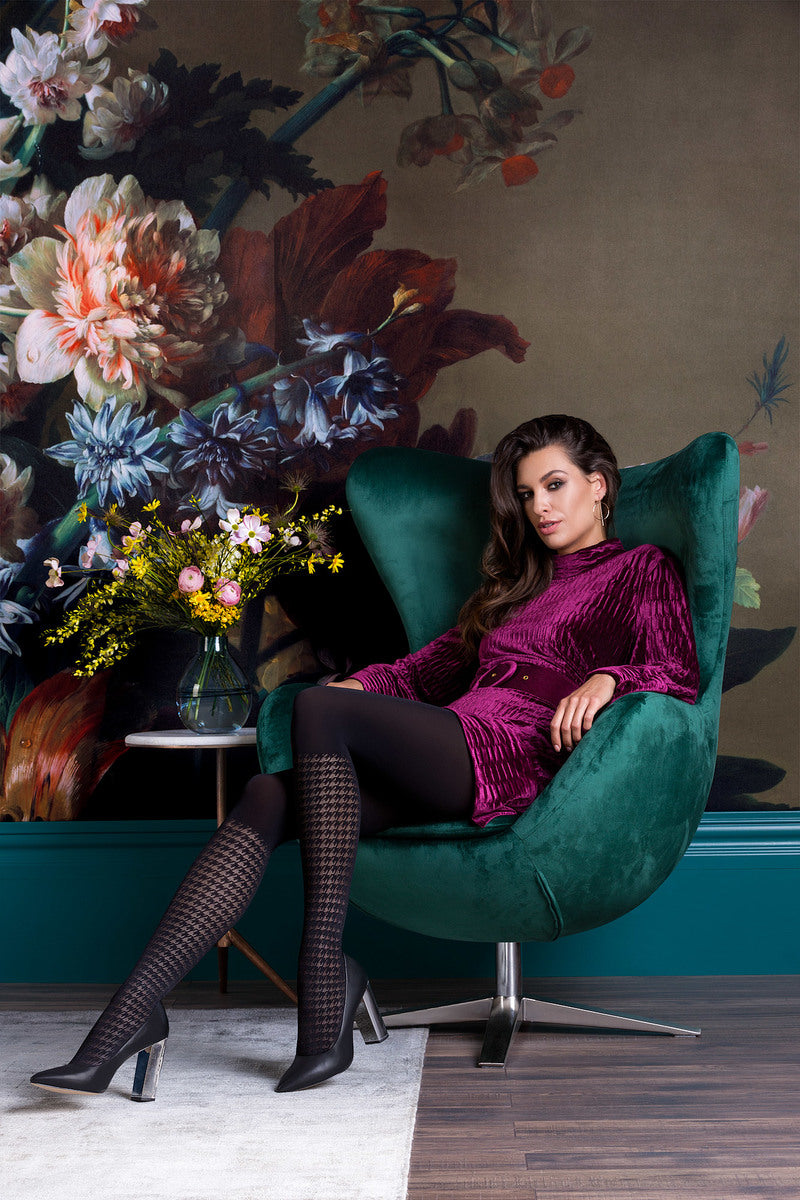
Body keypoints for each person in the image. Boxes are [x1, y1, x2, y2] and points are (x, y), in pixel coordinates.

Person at [29, 414, 700, 1100]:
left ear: (599, 485)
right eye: (527, 494)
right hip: (454, 738)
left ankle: (321, 975)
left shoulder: (639, 569)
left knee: (318, 710)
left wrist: (610, 678)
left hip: (514, 755)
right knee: (267, 792)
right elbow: (422, 672)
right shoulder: (514, 590)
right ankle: (131, 1015)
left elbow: (678, 669)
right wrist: (358, 689)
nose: (540, 508)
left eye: (555, 486)